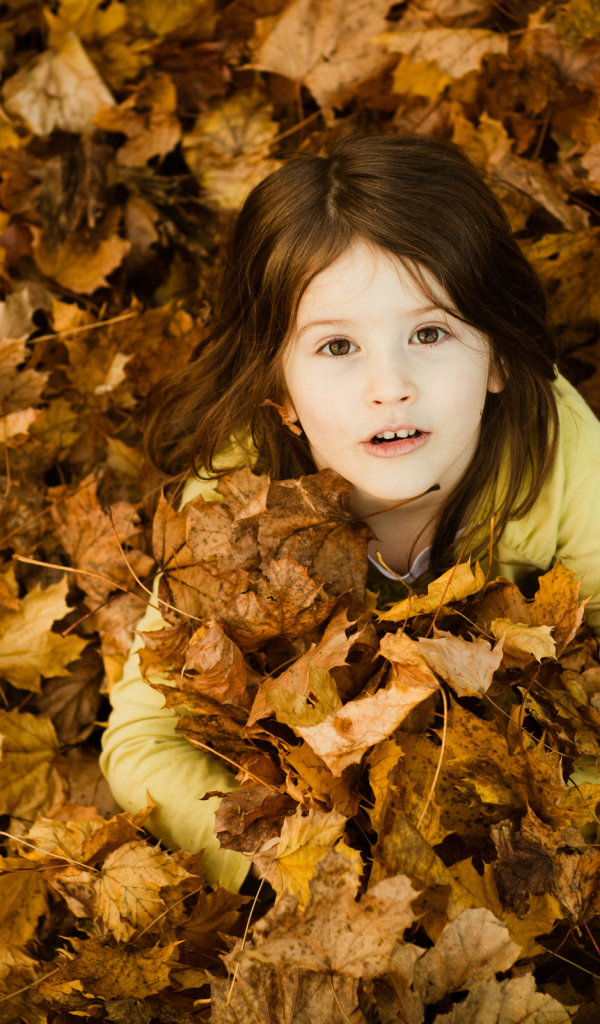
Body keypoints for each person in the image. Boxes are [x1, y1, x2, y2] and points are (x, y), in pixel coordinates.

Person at [100, 131, 600, 890]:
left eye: (429, 333)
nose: (389, 385)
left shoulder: (557, 454)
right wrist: (305, 870)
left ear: (497, 356)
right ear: (281, 386)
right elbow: (141, 742)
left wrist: (531, 841)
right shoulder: (239, 497)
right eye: (337, 348)